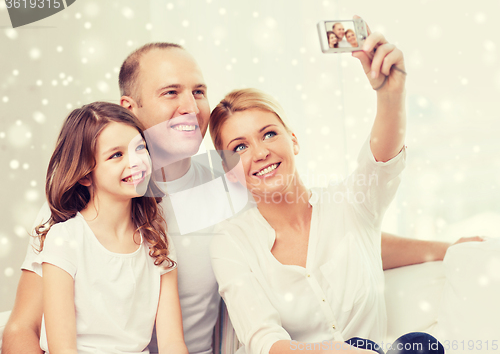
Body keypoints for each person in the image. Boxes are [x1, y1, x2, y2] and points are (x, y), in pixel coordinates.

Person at [2, 41, 482, 354]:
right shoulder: (87, 200)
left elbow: (327, 234)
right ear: (131, 108)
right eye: (171, 93)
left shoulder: (229, 176)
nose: (190, 107)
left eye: (198, 90)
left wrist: (444, 249)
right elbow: (21, 331)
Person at [208, 25, 444, 353]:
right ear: (229, 172)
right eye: (239, 147)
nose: (260, 152)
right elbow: (264, 341)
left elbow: (381, 162)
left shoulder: (349, 205)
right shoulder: (231, 240)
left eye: (269, 134)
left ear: (294, 140)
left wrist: (390, 95)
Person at [32, 102, 186, 353]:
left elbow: (172, 342)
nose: (135, 162)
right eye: (116, 155)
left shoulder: (157, 239)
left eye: (140, 148)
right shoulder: (65, 240)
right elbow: (63, 349)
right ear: (85, 175)